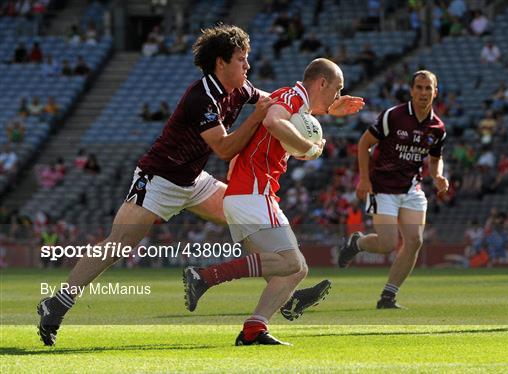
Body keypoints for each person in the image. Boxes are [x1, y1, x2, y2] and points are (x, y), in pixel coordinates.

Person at [37, 24, 279, 347]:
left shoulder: (240, 88)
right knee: (118, 245)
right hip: (158, 180)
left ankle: (280, 291)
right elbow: (223, 149)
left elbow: (272, 102)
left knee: (248, 216)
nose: (247, 66)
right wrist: (256, 118)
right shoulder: (201, 97)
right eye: (241, 59)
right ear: (221, 63)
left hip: (194, 181)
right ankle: (57, 304)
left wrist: (311, 105)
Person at [183, 58, 365, 345]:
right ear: (321, 83)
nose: (338, 95)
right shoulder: (290, 96)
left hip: (249, 194)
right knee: (290, 263)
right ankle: (206, 276)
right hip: (253, 192)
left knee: (295, 269)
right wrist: (309, 148)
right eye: (337, 89)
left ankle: (254, 329)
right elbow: (272, 120)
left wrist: (330, 110)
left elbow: (283, 122)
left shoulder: (293, 101)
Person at [337, 70, 449, 309]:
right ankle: (356, 244)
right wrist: (364, 180)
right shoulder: (394, 116)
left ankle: (388, 296)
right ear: (411, 90)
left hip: (411, 188)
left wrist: (438, 175)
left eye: (428, 88)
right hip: (382, 187)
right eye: (419, 87)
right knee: (387, 244)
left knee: (414, 241)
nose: (423, 92)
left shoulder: (438, 127)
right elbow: (364, 143)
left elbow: (435, 157)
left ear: (435, 92)